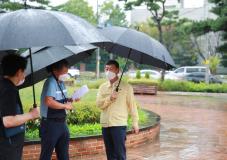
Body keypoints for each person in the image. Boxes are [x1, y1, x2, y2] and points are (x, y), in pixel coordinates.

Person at [96, 60, 139, 160]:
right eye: (106, 69)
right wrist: (110, 98)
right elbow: (99, 104)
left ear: (118, 70)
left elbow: (132, 105)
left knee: (120, 154)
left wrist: (135, 122)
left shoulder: (126, 87)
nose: (108, 71)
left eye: (111, 69)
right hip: (105, 124)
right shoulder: (102, 87)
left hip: (119, 125)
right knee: (110, 154)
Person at [0, 54, 40, 160]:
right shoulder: (9, 90)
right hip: (8, 147)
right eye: (23, 71)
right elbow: (8, 121)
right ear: (18, 72)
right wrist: (31, 114)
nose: (24, 75)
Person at [39, 59, 78, 160]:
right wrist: (65, 106)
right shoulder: (50, 82)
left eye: (67, 72)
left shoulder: (61, 82)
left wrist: (72, 98)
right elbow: (49, 101)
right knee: (46, 155)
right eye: (64, 72)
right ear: (55, 71)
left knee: (64, 154)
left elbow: (61, 100)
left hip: (62, 123)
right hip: (50, 124)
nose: (66, 74)